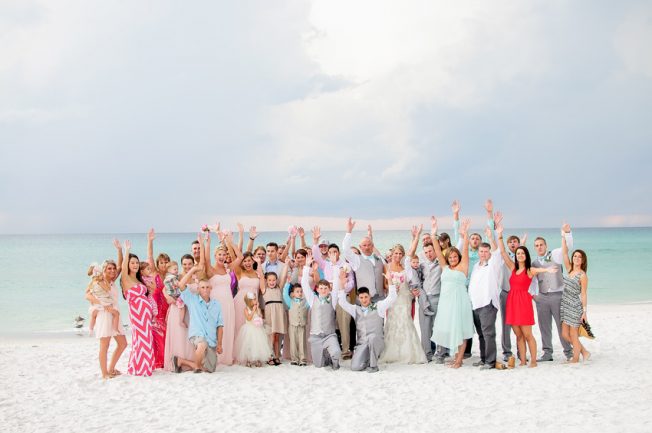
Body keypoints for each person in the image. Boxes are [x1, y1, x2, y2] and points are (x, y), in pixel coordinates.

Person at [496, 222, 559, 368]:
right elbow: (504, 253)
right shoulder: (512, 267)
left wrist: (548, 270)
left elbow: (540, 271)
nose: (520, 255)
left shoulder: (530, 270)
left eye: (522, 253)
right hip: (512, 302)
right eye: (518, 253)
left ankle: (533, 361)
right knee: (518, 335)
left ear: (526, 255)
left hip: (523, 302)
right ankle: (523, 360)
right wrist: (499, 236)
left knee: (527, 335)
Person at [430, 216, 474, 368]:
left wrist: (465, 234)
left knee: (460, 329)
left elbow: (466, 249)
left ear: (458, 257)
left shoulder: (463, 267)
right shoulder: (445, 267)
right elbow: (437, 249)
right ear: (447, 258)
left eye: (455, 256)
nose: (453, 258)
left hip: (460, 302)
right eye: (451, 256)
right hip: (446, 303)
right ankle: (455, 356)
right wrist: (433, 233)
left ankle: (459, 359)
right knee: (450, 328)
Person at [379, 226, 427, 365]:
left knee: (406, 322)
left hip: (404, 298)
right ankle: (392, 353)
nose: (398, 256)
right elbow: (385, 286)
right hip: (393, 299)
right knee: (393, 323)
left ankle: (408, 353)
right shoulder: (386, 266)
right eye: (396, 253)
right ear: (392, 254)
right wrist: (393, 285)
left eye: (400, 253)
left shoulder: (405, 266)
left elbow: (412, 252)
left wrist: (416, 237)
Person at [335, 269, 398, 372]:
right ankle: (368, 359)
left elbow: (392, 297)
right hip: (362, 344)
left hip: (376, 342)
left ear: (370, 296)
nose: (364, 300)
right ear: (358, 298)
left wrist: (390, 281)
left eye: (366, 297)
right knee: (355, 367)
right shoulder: (356, 309)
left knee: (372, 338)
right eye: (361, 297)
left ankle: (373, 366)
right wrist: (342, 285)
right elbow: (342, 302)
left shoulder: (379, 306)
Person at [311, 226, 355, 360]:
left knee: (343, 322)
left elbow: (351, 283)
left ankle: (346, 350)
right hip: (329, 297)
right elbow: (316, 256)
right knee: (328, 322)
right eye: (330, 252)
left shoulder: (346, 266)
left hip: (342, 297)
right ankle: (328, 349)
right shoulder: (326, 264)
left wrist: (343, 287)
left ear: (338, 253)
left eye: (335, 252)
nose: (332, 254)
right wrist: (315, 241)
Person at [85, 239, 127, 379]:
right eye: (109, 268)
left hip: (115, 314)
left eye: (113, 268)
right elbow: (87, 295)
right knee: (105, 345)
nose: (113, 270)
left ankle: (111, 368)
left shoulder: (112, 281)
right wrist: (103, 305)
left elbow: (121, 266)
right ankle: (104, 374)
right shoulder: (98, 281)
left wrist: (119, 250)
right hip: (104, 315)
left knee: (123, 343)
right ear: (103, 269)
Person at [531, 224, 574, 362]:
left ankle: (568, 352)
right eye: (537, 245)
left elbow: (567, 249)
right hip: (542, 297)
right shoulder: (534, 263)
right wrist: (534, 296)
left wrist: (566, 234)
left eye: (541, 245)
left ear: (546, 245)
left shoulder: (555, 255)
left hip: (557, 296)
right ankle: (547, 353)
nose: (539, 247)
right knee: (544, 326)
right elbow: (532, 281)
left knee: (561, 325)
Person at [467, 227, 504, 369]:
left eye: (485, 251)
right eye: (481, 251)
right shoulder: (477, 265)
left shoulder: (493, 264)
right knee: (481, 335)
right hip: (475, 304)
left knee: (488, 334)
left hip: (487, 304)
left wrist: (491, 237)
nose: (483, 254)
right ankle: (483, 358)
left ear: (489, 253)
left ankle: (490, 361)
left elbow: (497, 253)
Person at [172, 276, 224, 373]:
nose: (205, 290)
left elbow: (220, 325)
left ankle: (182, 361)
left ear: (211, 288)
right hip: (197, 335)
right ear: (198, 289)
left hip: (211, 340)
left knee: (210, 369)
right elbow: (181, 285)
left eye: (208, 287)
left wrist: (220, 344)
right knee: (202, 344)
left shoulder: (217, 304)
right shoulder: (192, 299)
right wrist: (194, 269)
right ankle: (196, 367)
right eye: (203, 287)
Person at [301, 252, 341, 370]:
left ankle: (335, 362)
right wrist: (307, 267)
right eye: (321, 288)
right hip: (316, 337)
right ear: (317, 289)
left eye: (326, 288)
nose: (323, 290)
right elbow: (304, 284)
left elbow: (337, 283)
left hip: (329, 335)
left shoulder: (332, 300)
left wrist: (334, 265)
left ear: (329, 289)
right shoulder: (312, 299)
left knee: (336, 353)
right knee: (319, 365)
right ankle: (325, 355)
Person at [120, 240, 154, 376]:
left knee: (147, 338)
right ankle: (140, 368)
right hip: (137, 315)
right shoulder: (126, 279)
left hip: (146, 315)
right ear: (127, 264)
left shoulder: (139, 280)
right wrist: (126, 251)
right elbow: (122, 269)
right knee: (140, 339)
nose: (135, 265)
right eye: (132, 262)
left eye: (136, 263)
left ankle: (146, 366)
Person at [204, 232, 237, 366]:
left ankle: (226, 356)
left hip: (228, 302)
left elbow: (239, 257)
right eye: (219, 254)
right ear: (215, 256)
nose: (222, 257)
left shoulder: (229, 270)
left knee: (228, 327)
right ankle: (214, 356)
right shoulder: (211, 270)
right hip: (216, 303)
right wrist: (208, 240)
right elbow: (205, 260)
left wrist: (228, 241)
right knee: (215, 328)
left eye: (224, 254)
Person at [560, 228, 591, 363]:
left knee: (573, 334)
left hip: (574, 306)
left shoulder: (583, 275)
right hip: (565, 305)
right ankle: (584, 352)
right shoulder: (570, 269)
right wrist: (564, 235)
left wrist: (584, 312)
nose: (576, 258)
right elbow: (564, 253)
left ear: (583, 260)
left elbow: (583, 294)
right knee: (565, 334)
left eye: (579, 257)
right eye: (575, 256)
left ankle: (576, 358)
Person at [163, 253, 198, 372]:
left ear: (193, 264)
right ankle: (178, 361)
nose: (187, 266)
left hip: (191, 311)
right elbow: (165, 288)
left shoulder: (197, 277)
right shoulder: (176, 277)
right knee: (179, 335)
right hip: (178, 309)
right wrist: (168, 296)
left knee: (189, 337)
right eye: (184, 264)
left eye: (190, 264)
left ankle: (189, 362)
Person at [343, 218, 386, 301]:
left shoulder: (379, 258)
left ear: (372, 246)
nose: (367, 247)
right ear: (360, 247)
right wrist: (349, 232)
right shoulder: (356, 260)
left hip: (381, 298)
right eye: (364, 245)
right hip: (364, 300)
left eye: (369, 245)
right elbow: (346, 250)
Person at [256, 256, 287, 365]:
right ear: (267, 281)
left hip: (278, 313)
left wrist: (286, 264)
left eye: (274, 280)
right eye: (270, 280)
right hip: (270, 312)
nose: (272, 282)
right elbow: (260, 277)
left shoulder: (279, 288)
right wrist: (259, 263)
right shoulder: (264, 290)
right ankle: (269, 356)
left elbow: (283, 276)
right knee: (271, 336)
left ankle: (277, 355)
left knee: (277, 336)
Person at [234, 292, 273, 367]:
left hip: (258, 329)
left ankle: (258, 359)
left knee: (258, 344)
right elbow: (248, 318)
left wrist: (257, 309)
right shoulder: (246, 309)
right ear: (249, 301)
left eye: (256, 299)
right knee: (249, 344)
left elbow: (260, 316)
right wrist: (253, 311)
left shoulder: (257, 308)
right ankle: (249, 359)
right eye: (254, 299)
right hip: (249, 328)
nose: (256, 300)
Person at [87, 263, 121, 334]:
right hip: (105, 303)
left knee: (93, 316)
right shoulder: (101, 282)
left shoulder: (93, 283)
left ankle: (90, 329)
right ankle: (115, 329)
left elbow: (88, 292)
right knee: (116, 314)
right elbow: (108, 289)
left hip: (96, 305)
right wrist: (106, 282)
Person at [283, 282, 308, 366]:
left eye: (301, 291)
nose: (300, 293)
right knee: (293, 342)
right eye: (297, 291)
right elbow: (284, 294)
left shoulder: (305, 303)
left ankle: (302, 359)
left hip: (302, 325)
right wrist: (287, 284)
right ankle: (294, 359)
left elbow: (312, 300)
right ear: (293, 294)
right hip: (293, 325)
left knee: (302, 343)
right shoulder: (290, 302)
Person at [163, 261, 185, 328]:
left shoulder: (167, 277)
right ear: (169, 270)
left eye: (177, 269)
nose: (177, 271)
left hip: (171, 294)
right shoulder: (173, 277)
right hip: (175, 295)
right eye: (175, 269)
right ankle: (181, 321)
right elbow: (178, 284)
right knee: (182, 307)